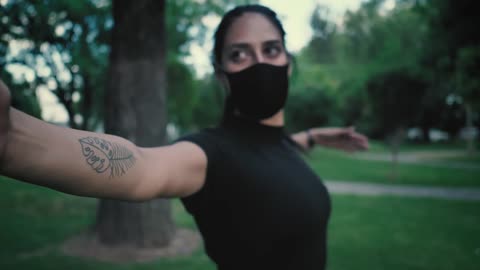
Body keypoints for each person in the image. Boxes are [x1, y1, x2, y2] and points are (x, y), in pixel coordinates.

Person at [0, 4, 368, 270]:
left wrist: (315, 136)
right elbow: (141, 168)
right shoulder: (210, 155)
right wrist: (11, 138)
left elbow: (277, 153)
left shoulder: (282, 144)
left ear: (288, 60)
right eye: (240, 54)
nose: (259, 63)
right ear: (220, 74)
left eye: (270, 50)